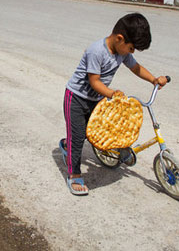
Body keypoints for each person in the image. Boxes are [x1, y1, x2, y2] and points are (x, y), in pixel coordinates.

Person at [60, 13, 168, 196]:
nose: (131, 53)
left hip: (97, 99)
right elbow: (94, 81)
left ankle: (115, 149)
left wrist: (153, 79)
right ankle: (74, 174)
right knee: (78, 139)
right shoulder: (96, 51)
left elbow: (136, 67)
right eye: (131, 48)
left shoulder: (121, 52)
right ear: (120, 39)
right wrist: (112, 93)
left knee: (109, 128)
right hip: (77, 99)